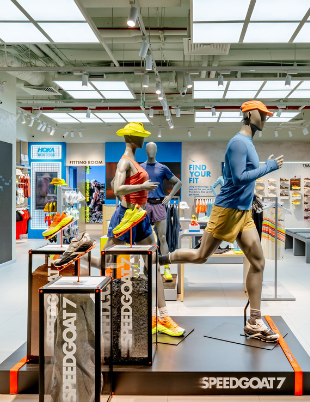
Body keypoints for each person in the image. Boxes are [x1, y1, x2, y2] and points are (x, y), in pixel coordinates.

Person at [159, 100, 284, 342]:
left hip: (243, 212)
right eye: (262, 114)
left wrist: (252, 196)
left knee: (258, 262)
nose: (265, 118)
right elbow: (238, 178)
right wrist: (269, 166)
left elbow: (239, 179)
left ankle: (255, 321)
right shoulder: (238, 143)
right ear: (250, 114)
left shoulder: (248, 143)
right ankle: (163, 259)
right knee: (200, 256)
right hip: (226, 210)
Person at [105, 122, 185, 337]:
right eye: (140, 136)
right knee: (108, 263)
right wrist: (142, 187)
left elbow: (117, 184)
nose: (143, 140)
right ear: (132, 138)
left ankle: (162, 316)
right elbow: (117, 189)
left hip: (139, 216)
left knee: (154, 263)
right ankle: (108, 312)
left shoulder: (135, 162)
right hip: (126, 216)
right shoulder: (125, 161)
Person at [140, 142, 182, 282]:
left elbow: (178, 182)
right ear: (146, 150)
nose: (151, 150)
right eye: (149, 148)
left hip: (159, 204)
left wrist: (169, 197)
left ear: (156, 150)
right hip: (145, 205)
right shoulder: (140, 167)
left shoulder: (162, 168)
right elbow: (135, 186)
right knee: (143, 238)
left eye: (153, 148)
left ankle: (166, 268)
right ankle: (145, 266)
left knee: (162, 237)